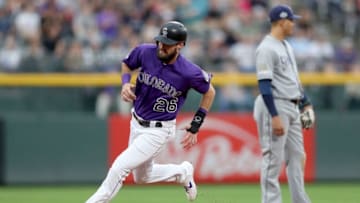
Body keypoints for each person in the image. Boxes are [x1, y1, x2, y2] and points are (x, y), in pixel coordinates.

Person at [86, 21, 216, 203]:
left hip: (159, 130)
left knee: (119, 168)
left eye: (167, 43)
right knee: (142, 178)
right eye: (160, 40)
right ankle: (182, 171)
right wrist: (125, 83)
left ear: (180, 45)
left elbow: (209, 91)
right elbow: (126, 65)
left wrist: (196, 124)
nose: (161, 46)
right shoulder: (145, 52)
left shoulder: (189, 72)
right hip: (136, 121)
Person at [253, 5, 315, 203]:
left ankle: (300, 200)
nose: (294, 23)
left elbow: (293, 79)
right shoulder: (266, 48)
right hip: (276, 105)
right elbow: (264, 85)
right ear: (282, 21)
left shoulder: (286, 46)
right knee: (273, 159)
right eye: (291, 20)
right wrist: (274, 115)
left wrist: (306, 103)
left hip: (293, 105)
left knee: (297, 156)